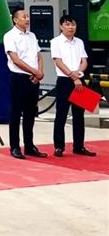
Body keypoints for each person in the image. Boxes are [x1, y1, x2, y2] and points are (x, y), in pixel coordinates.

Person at [3, 7, 47, 159]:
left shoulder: (32, 35)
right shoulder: (10, 36)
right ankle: (15, 146)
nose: (27, 19)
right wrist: (34, 71)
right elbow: (15, 60)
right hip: (19, 77)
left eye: (27, 16)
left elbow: (39, 55)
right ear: (15, 20)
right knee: (16, 113)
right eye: (23, 17)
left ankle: (29, 145)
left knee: (30, 113)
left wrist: (39, 71)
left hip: (34, 79)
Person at [51, 14, 96, 157]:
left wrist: (78, 74)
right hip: (64, 80)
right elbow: (58, 62)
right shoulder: (55, 42)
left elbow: (84, 61)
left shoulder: (79, 42)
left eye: (73, 25)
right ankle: (59, 146)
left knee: (79, 115)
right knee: (61, 114)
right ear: (61, 26)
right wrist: (72, 75)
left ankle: (79, 146)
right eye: (67, 24)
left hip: (79, 80)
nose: (71, 27)